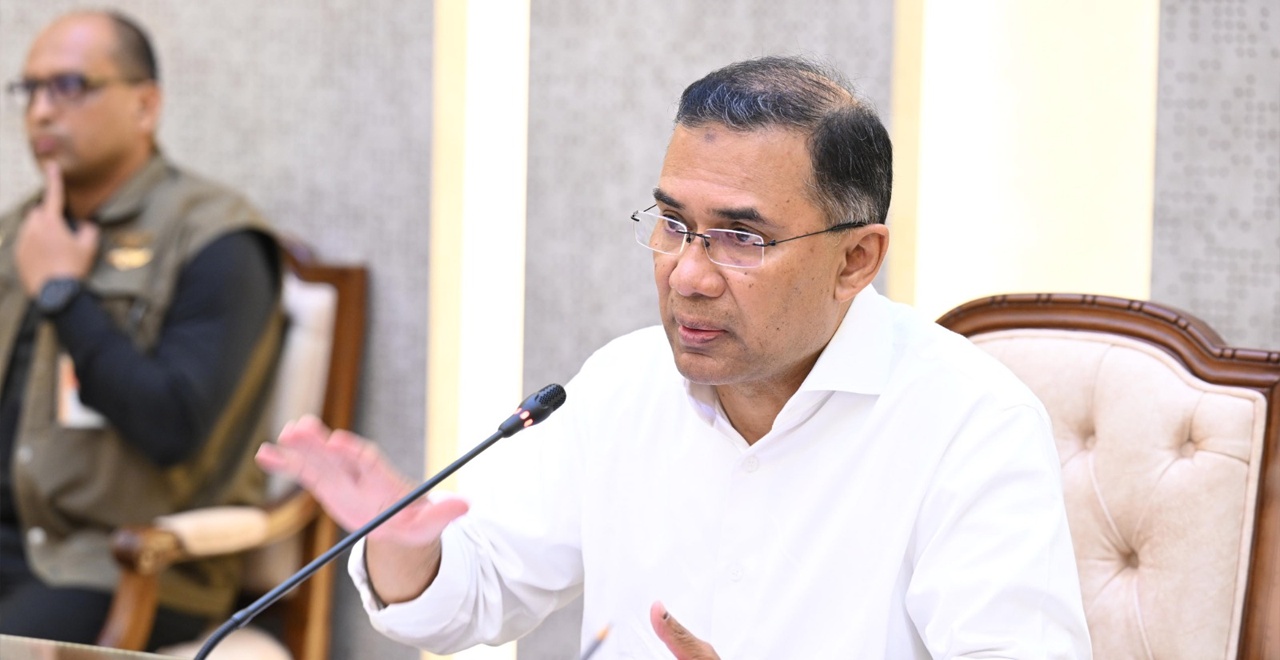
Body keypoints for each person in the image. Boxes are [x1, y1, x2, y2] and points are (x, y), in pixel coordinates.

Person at [259, 56, 1091, 658]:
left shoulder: (970, 422)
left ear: (855, 259)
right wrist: (404, 543)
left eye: (740, 238)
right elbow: (467, 600)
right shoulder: (623, 384)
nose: (688, 275)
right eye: (673, 225)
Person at [0, 10, 283, 649]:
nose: (41, 112)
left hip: (120, 564)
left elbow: (172, 424)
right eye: (29, 90)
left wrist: (63, 295)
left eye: (69, 86)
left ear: (145, 105)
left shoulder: (216, 238)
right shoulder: (18, 232)